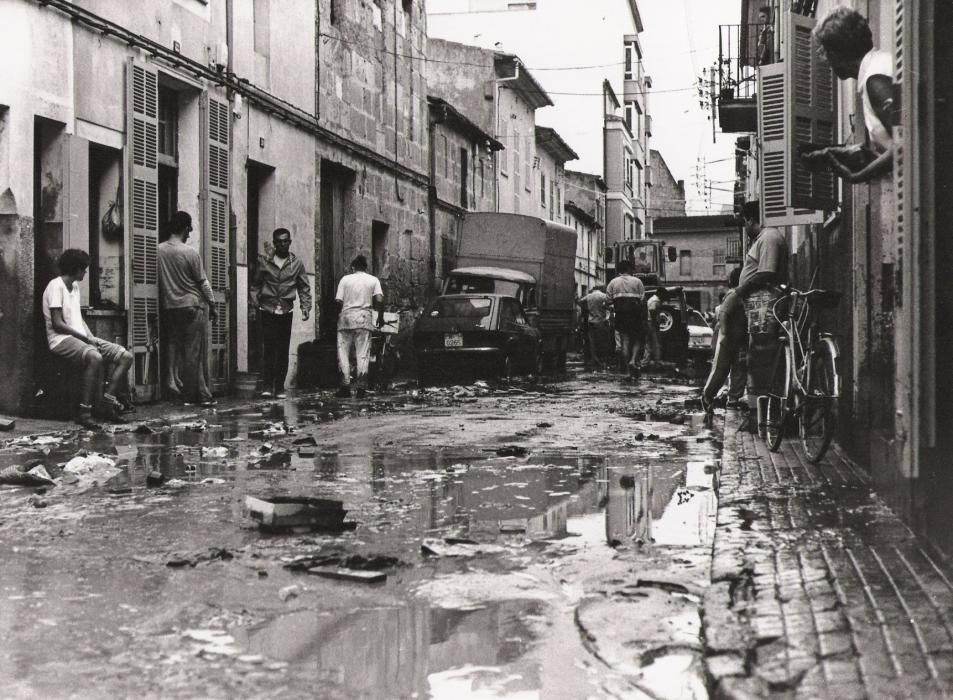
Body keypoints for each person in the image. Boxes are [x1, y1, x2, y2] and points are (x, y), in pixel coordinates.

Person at [702, 202, 788, 421]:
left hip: (760, 303)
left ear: (751, 220)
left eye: (744, 222)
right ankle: (719, 398)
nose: (744, 228)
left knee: (757, 358)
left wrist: (740, 291)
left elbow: (766, 272)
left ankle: (756, 412)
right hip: (751, 304)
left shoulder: (768, 237)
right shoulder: (764, 239)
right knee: (739, 355)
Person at [42, 249, 133, 428]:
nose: (85, 272)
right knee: (95, 357)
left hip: (81, 338)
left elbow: (78, 318)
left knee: (126, 356)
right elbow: (57, 324)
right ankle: (85, 412)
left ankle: (106, 405)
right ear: (75, 269)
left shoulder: (74, 287)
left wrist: (91, 338)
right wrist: (86, 340)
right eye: (83, 269)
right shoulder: (55, 286)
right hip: (60, 340)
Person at [803, 7, 894, 183]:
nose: (826, 61)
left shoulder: (874, 81)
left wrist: (856, 177)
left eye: (825, 52)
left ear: (837, 53)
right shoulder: (880, 65)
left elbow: (906, 145)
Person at [157, 211, 217, 407]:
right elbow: (203, 283)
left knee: (173, 343)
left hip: (170, 306)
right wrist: (213, 304)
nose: (190, 233)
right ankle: (191, 395)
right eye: (189, 229)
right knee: (193, 352)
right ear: (185, 229)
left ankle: (176, 383)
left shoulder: (159, 250)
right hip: (191, 304)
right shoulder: (190, 252)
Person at [250, 228, 312, 398]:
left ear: (290, 242)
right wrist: (254, 305)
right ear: (275, 243)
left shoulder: (296, 264)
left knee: (283, 349)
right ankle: (267, 385)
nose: (282, 244)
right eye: (279, 241)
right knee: (268, 348)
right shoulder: (265, 262)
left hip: (285, 310)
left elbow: (304, 287)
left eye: (285, 241)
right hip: (267, 309)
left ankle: (279, 387)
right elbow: (255, 285)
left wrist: (305, 307)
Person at [335, 255, 383, 399]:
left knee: (343, 352)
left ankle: (345, 386)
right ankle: (361, 388)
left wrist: (338, 315)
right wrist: (379, 316)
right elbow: (379, 299)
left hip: (346, 318)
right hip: (364, 318)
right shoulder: (373, 280)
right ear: (366, 267)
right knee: (362, 353)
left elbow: (338, 300)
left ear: (353, 267)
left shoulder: (345, 279)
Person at [703, 267, 747, 409]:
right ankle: (707, 396)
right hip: (729, 338)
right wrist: (726, 333)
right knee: (721, 369)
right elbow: (723, 313)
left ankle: (733, 399)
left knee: (739, 368)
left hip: (739, 338)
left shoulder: (741, 295)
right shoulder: (734, 295)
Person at [606, 259, 646, 380]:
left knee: (625, 342)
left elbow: (608, 301)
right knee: (638, 340)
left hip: (621, 316)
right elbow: (643, 300)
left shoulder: (613, 283)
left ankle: (628, 372)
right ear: (629, 269)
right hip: (635, 315)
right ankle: (633, 360)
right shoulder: (638, 281)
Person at [580, 286, 610, 370]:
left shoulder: (588, 296)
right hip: (601, 321)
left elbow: (580, 301)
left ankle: (594, 358)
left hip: (591, 321)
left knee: (592, 342)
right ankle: (602, 360)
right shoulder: (604, 296)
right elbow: (609, 303)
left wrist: (587, 309)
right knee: (602, 342)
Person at [645, 287, 669, 364]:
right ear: (660, 294)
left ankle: (646, 360)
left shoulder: (653, 299)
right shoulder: (655, 300)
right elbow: (652, 311)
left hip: (648, 321)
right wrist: (655, 323)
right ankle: (657, 360)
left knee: (649, 342)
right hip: (651, 322)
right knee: (656, 342)